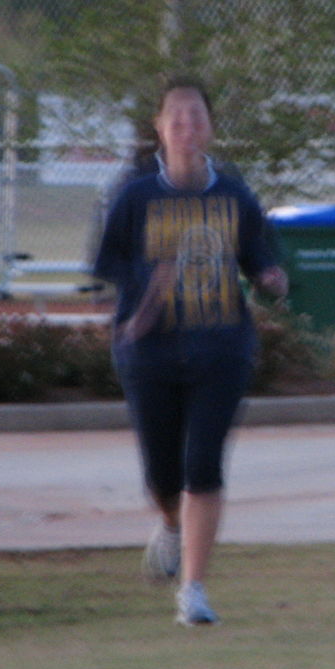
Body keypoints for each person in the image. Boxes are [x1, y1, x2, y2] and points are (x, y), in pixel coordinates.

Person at [92, 75, 288, 626]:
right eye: (175, 116)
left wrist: (272, 275)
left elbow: (259, 253)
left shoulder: (232, 193)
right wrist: (148, 278)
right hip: (148, 352)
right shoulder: (134, 195)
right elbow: (103, 262)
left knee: (203, 466)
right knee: (161, 475)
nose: (186, 126)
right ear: (159, 129)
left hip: (222, 348)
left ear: (210, 127)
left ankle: (193, 591)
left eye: (196, 115)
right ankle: (170, 523)